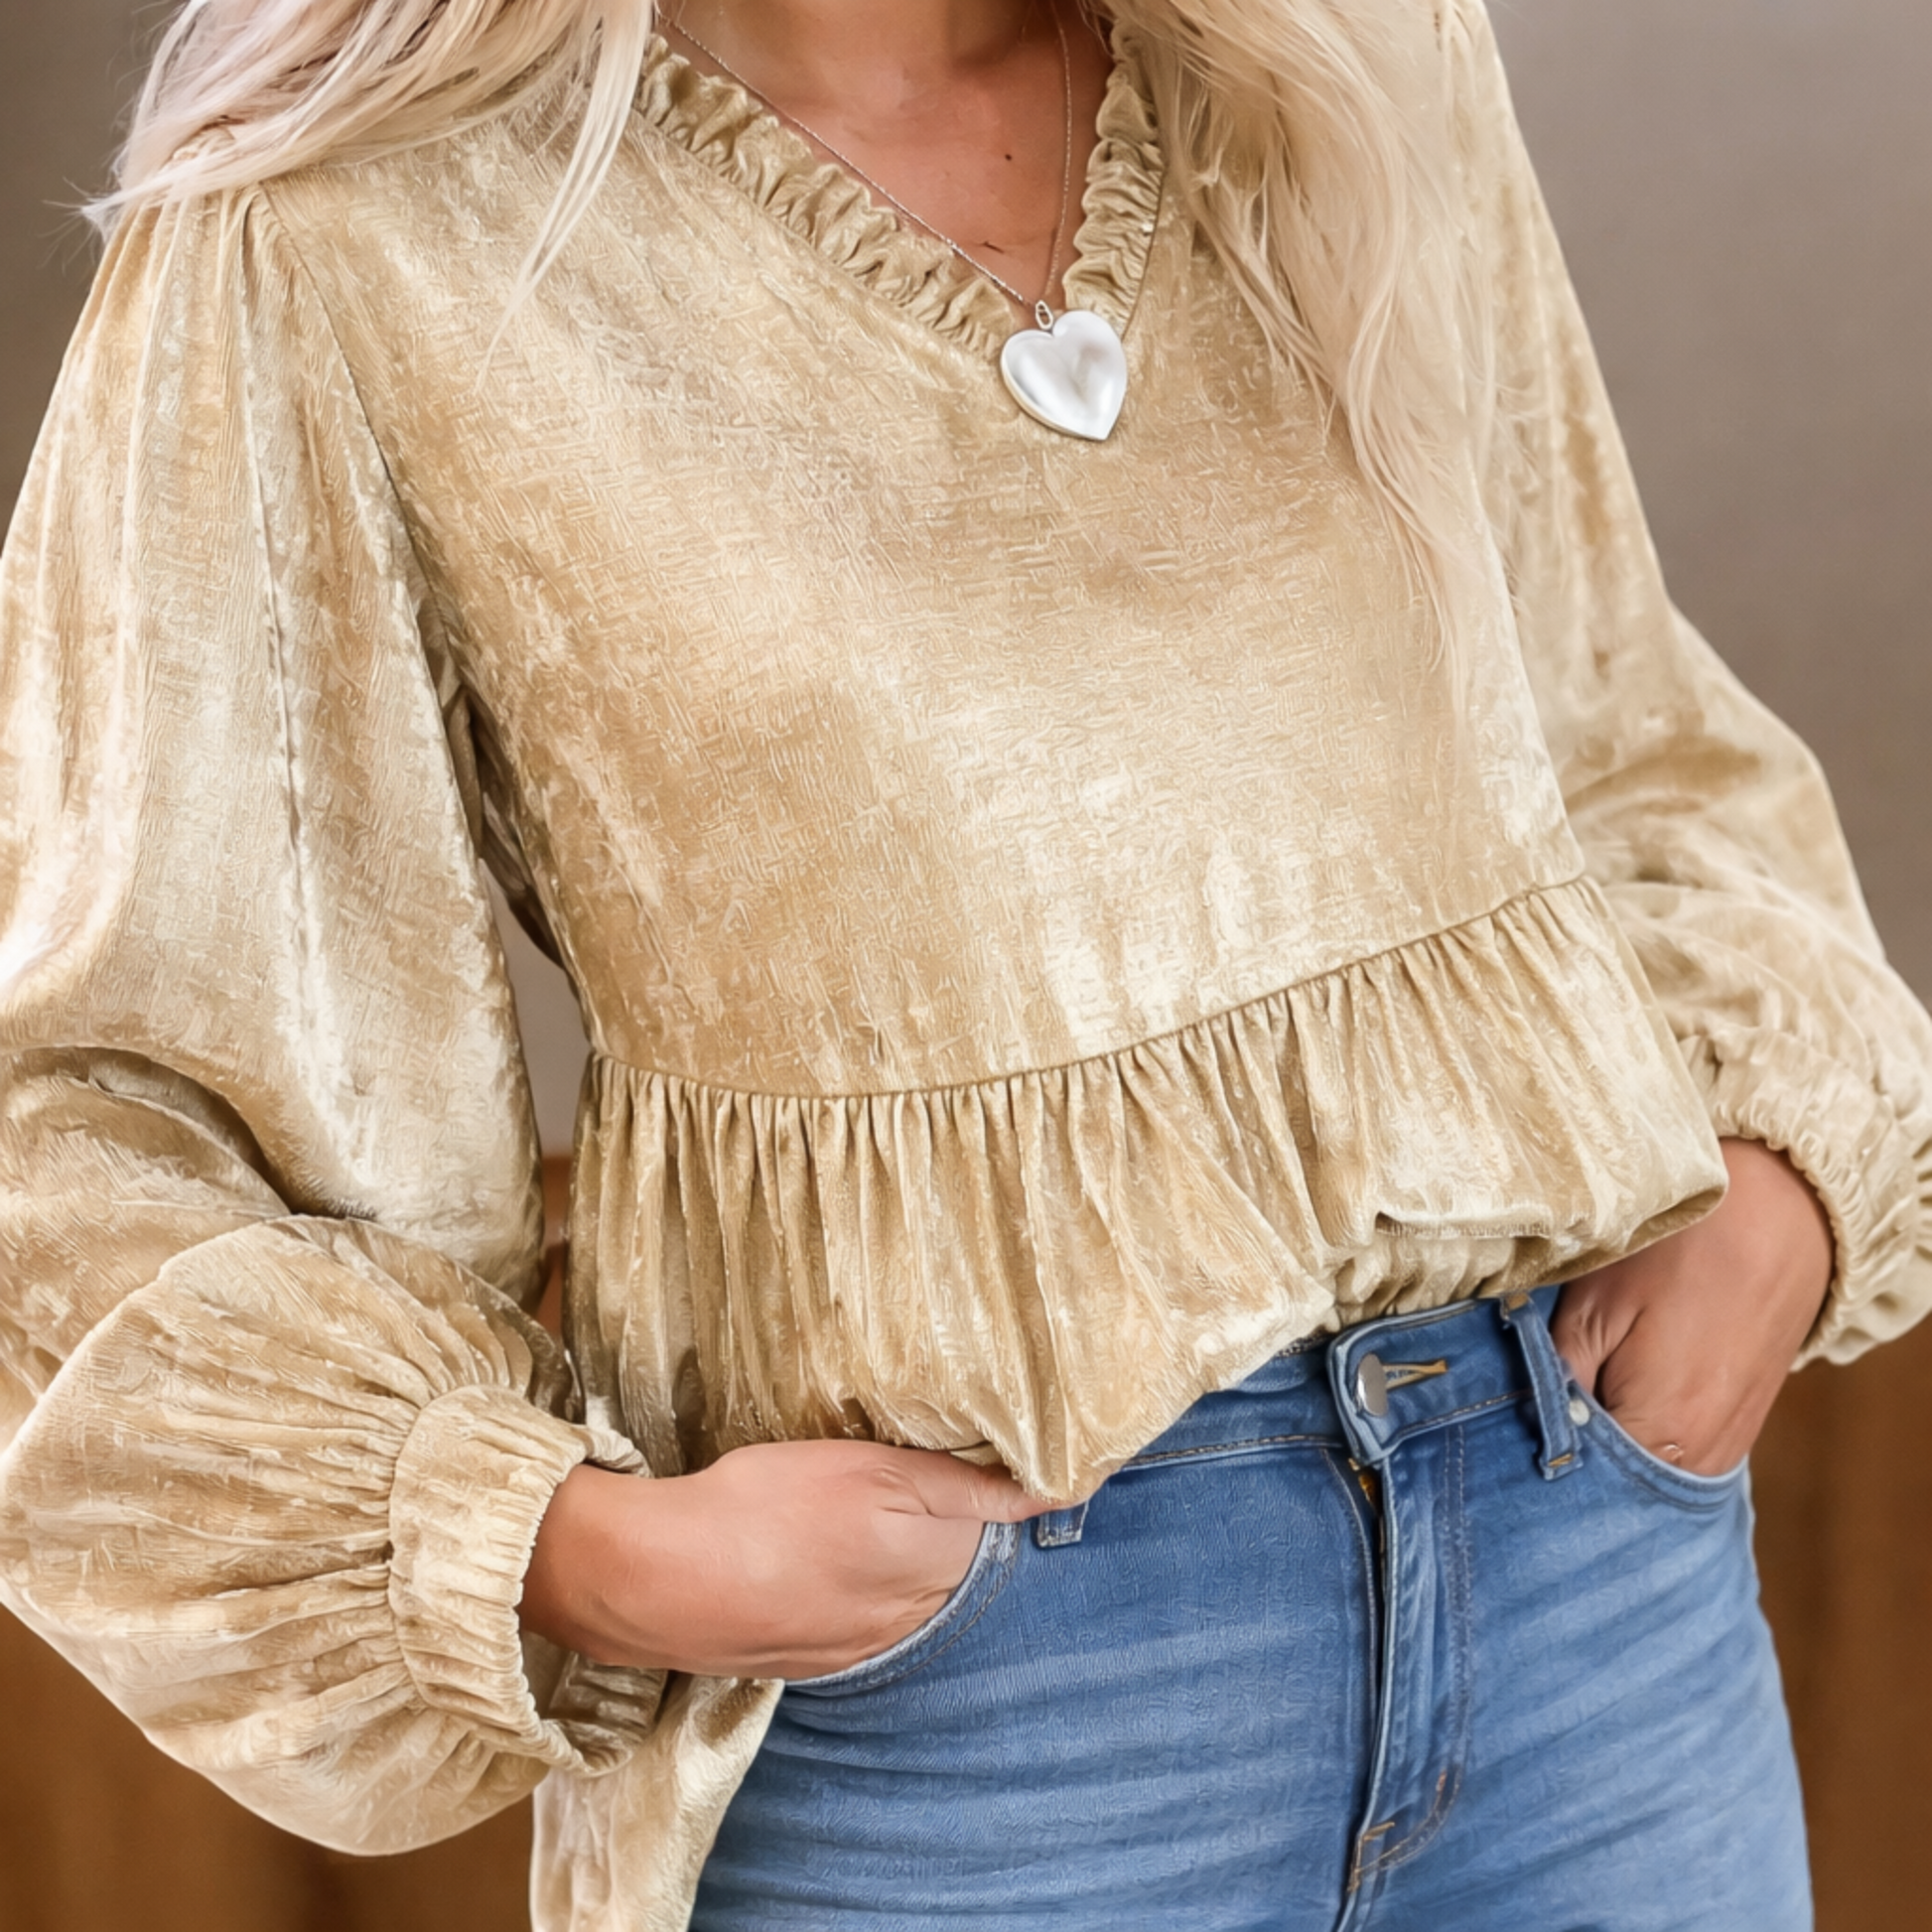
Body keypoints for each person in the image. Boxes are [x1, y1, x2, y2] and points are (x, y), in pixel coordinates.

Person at [0, 0, 1923, 1925]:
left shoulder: (1343, 66)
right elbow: (95, 1106)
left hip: (1583, 1582)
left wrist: (1777, 1191)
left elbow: (1609, 724)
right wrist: (577, 1550)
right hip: (969, 1710)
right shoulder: (343, 229)